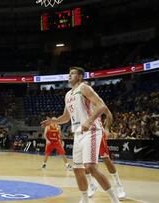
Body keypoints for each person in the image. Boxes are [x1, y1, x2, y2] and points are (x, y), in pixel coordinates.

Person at [41, 67, 120, 203]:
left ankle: (114, 199)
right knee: (78, 169)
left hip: (92, 130)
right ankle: (84, 199)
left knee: (90, 166)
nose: (69, 76)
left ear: (80, 77)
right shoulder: (67, 94)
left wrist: (89, 121)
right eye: (69, 73)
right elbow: (65, 117)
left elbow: (102, 106)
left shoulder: (84, 88)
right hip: (78, 133)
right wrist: (52, 121)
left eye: (73, 73)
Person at [85, 128, 126, 199]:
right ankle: (91, 184)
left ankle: (118, 185)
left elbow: (109, 116)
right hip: (85, 134)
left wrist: (107, 128)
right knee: (86, 162)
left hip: (97, 132)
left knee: (106, 159)